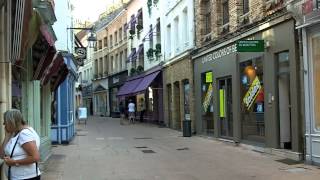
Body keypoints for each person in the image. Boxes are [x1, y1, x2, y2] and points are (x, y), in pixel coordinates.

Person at [0, 109, 41, 180]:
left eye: (5, 122)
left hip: (26, 177)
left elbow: (35, 157)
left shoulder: (24, 134)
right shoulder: (15, 133)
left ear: (11, 121)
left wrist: (14, 162)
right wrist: (7, 136)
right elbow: (1, 155)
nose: (4, 124)